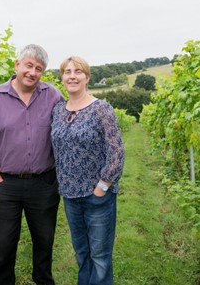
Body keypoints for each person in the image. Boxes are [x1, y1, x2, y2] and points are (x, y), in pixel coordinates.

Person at [0, 44, 64, 285]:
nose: (33, 72)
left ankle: (43, 281)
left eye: (39, 68)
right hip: (7, 185)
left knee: (44, 241)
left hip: (44, 185)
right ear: (17, 65)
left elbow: (68, 127)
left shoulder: (53, 95)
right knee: (3, 243)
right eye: (29, 65)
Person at [51, 56, 125, 285]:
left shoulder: (101, 109)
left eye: (78, 71)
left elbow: (116, 151)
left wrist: (102, 187)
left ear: (87, 77)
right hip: (70, 196)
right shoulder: (57, 110)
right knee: (82, 253)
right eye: (67, 71)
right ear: (62, 77)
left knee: (100, 257)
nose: (72, 76)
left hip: (97, 197)